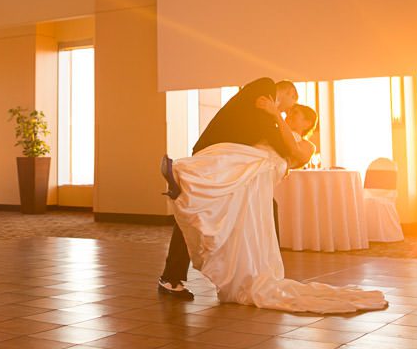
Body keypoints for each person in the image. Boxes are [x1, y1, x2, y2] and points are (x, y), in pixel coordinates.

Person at [168, 88, 387, 313]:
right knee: (227, 167)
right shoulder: (273, 130)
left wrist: (275, 115)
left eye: (295, 114)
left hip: (261, 171)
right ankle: (185, 178)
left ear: (307, 123)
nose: (289, 115)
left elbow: (294, 152)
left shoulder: (307, 145)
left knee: (235, 191)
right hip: (251, 168)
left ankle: (186, 179)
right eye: (289, 113)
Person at [159, 77, 298, 299]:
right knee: (198, 213)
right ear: (290, 93)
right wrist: (275, 116)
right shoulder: (264, 91)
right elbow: (288, 149)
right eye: (288, 107)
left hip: (220, 161)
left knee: (197, 212)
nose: (284, 111)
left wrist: (275, 118)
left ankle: (246, 271)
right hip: (218, 160)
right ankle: (184, 174)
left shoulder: (259, 107)